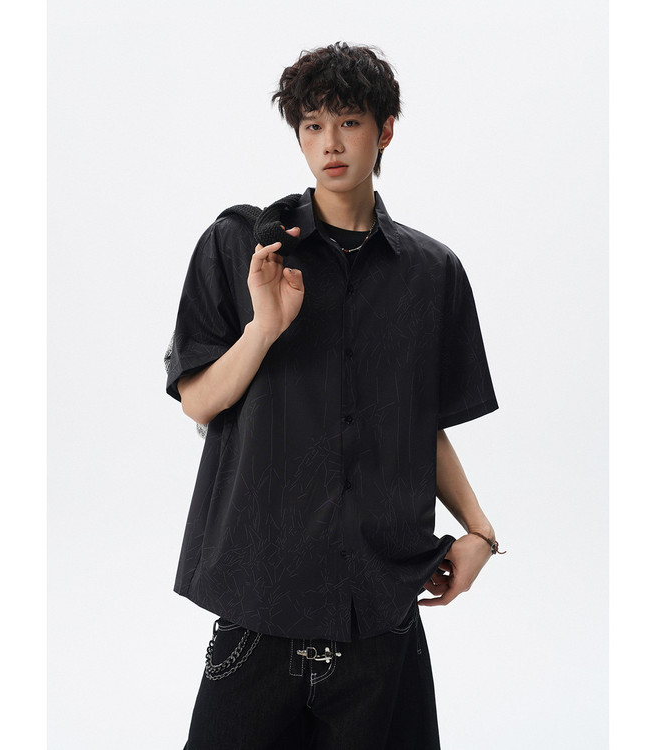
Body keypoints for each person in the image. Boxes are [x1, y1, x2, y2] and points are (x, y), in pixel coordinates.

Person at [165, 41, 504, 750]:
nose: (330, 144)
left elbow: (419, 428)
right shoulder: (242, 247)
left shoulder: (432, 273)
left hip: (380, 624)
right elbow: (199, 401)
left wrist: (479, 531)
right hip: (258, 617)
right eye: (313, 125)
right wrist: (264, 327)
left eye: (349, 123)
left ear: (386, 130)